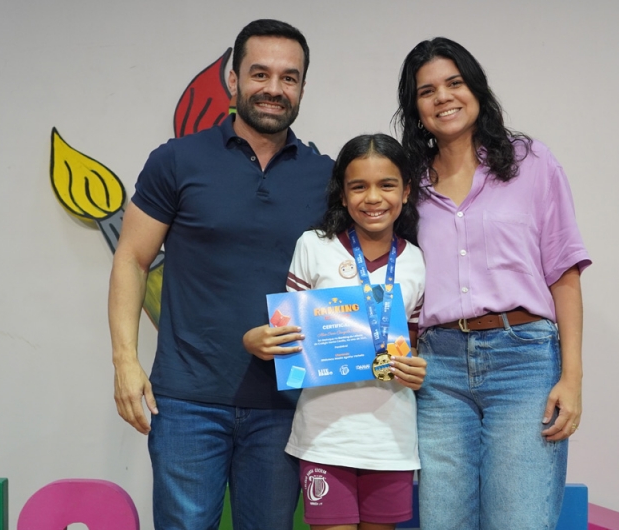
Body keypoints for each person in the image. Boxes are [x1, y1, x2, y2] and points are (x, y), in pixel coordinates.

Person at [108, 19, 333, 530]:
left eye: (289, 77)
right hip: (187, 401)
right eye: (260, 73)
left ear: (302, 87)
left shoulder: (326, 176)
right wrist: (125, 361)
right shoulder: (177, 160)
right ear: (234, 80)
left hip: (285, 403)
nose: (274, 88)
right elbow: (132, 259)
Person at [394, 37, 591, 530]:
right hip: (438, 369)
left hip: (523, 362)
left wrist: (572, 377)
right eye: (427, 91)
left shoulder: (531, 162)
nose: (443, 97)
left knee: (518, 520)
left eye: (454, 83)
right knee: (442, 522)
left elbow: (564, 272)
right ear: (415, 108)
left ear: (476, 90)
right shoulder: (408, 184)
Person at [281, 134, 427, 530]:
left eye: (387, 185)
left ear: (406, 191)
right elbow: (292, 337)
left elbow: (413, 345)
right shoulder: (314, 246)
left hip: (390, 439)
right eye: (358, 186)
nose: (373, 197)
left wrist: (415, 369)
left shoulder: (416, 260)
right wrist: (266, 340)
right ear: (342, 195)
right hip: (325, 436)